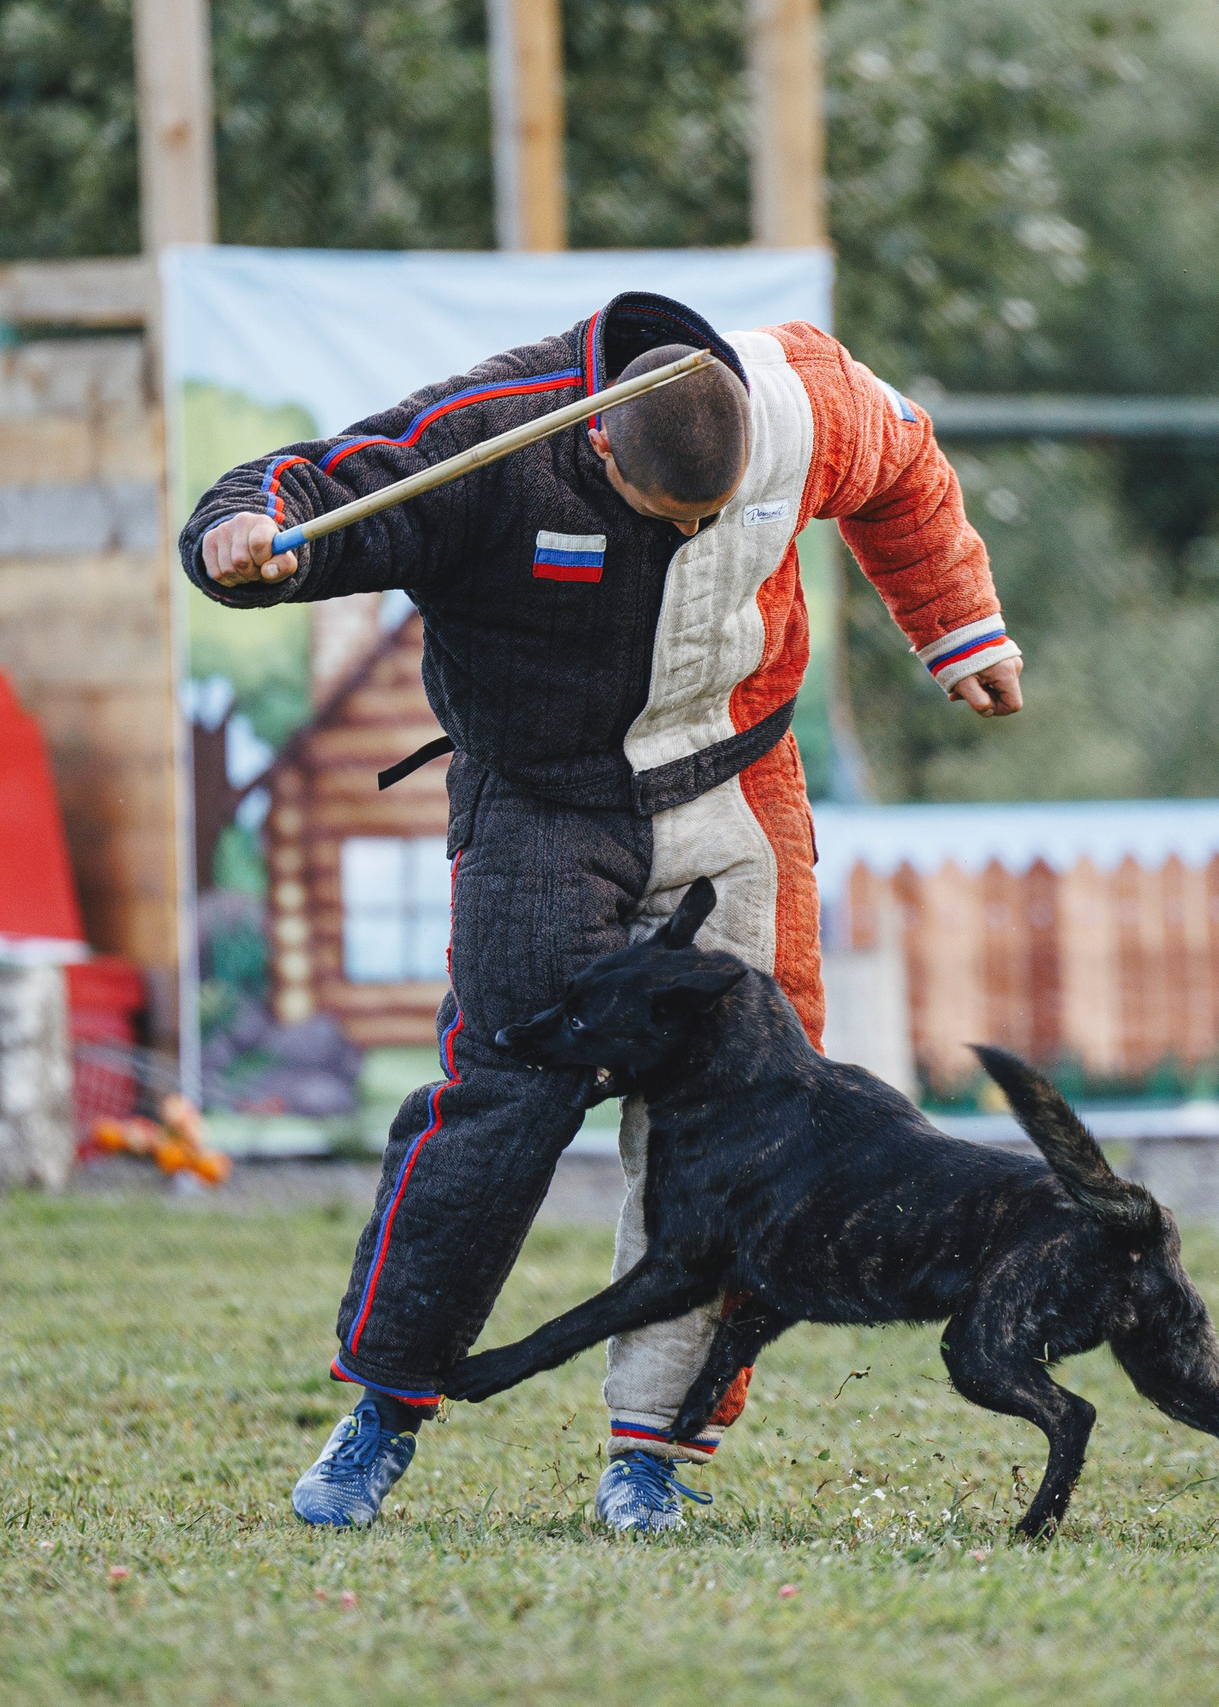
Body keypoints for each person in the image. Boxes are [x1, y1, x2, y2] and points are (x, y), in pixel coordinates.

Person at [179, 291, 1023, 1534]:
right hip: (545, 807)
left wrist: (957, 630)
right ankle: (387, 1408)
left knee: (759, 1123)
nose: (694, 534)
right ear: (598, 449)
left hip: (737, 785)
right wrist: (246, 541)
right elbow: (305, 494)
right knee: (506, 1093)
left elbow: (907, 468)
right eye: (668, 519)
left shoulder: (803, 399)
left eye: (714, 518)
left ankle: (654, 1452)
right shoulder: (492, 445)